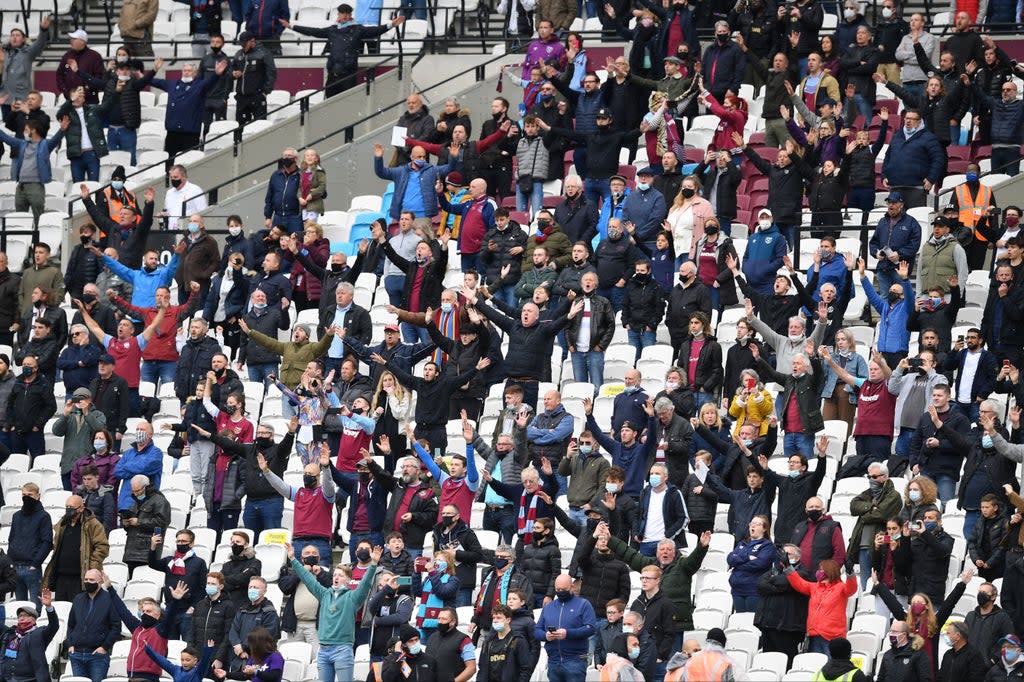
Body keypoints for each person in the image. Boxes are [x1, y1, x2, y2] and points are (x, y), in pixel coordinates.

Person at [284, 540, 380, 682]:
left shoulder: (353, 597)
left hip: (343, 649)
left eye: (340, 575)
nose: (336, 577)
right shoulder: (324, 594)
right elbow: (307, 578)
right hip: (323, 650)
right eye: (335, 575)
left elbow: (365, 584)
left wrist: (373, 564)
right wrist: (292, 558)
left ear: (348, 580)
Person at [279, 6, 404, 97]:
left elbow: (375, 31)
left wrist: (390, 25)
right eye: (342, 14)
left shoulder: (357, 30)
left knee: (347, 102)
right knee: (330, 101)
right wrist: (292, 26)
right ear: (338, 15)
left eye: (347, 14)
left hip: (348, 73)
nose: (344, 16)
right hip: (333, 72)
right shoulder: (332, 30)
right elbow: (314, 31)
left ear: (350, 15)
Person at [0, 116, 68, 223]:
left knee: (38, 217)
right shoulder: (22, 144)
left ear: (34, 130)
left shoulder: (45, 144)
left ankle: (37, 239)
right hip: (21, 186)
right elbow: (7, 139)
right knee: (20, 217)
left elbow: (55, 140)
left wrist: (62, 130)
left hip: (35, 186)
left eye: (26, 130)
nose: (24, 133)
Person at [42, 494, 109, 601]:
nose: (69, 510)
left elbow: (102, 547)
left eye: (72, 508)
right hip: (61, 577)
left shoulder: (93, 524)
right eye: (67, 507)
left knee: (77, 611)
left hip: (80, 577)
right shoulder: (62, 524)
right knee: (61, 609)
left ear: (81, 508)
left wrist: (92, 566)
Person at [533, 573, 596, 682]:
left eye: (564, 589)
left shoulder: (583, 604)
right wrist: (546, 636)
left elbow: (590, 628)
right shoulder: (548, 607)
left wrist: (568, 633)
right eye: (558, 589)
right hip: (553, 661)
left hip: (575, 660)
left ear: (572, 587)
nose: (560, 592)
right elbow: (537, 630)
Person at [66, 568, 121, 682]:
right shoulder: (78, 599)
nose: (87, 582)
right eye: (86, 579)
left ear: (100, 581)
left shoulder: (110, 599)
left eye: (91, 580)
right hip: (76, 654)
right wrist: (70, 644)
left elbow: (116, 626)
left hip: (97, 656)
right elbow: (71, 625)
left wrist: (104, 647)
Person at [8, 483, 53, 607]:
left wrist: (35, 564)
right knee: (19, 607)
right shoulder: (16, 516)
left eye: (30, 495)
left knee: (36, 608)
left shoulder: (44, 516)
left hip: (32, 568)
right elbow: (11, 539)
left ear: (38, 496)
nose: (26, 497)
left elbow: (47, 542)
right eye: (24, 495)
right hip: (15, 567)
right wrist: (10, 562)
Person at [0, 590, 58, 682]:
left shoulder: (39, 634)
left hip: (29, 679)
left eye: (25, 615)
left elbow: (54, 626)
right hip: (7, 679)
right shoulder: (11, 633)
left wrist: (49, 607)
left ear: (34, 620)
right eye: (19, 616)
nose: (21, 618)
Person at [230, 32, 277, 125]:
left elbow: (272, 73)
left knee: (259, 126)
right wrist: (233, 73)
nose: (243, 47)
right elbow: (231, 69)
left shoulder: (264, 53)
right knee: (240, 126)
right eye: (241, 44)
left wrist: (265, 92)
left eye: (244, 44)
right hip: (241, 97)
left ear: (252, 41)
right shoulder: (238, 54)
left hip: (257, 96)